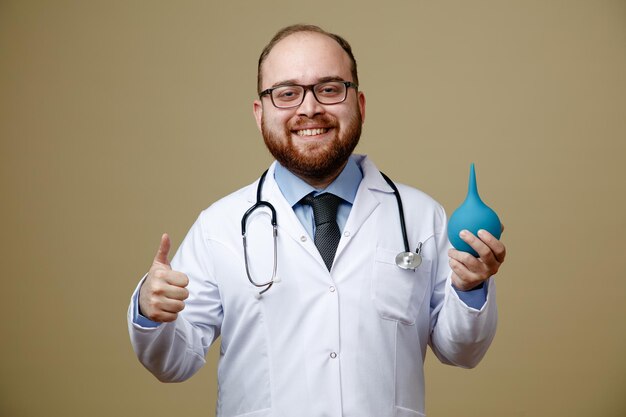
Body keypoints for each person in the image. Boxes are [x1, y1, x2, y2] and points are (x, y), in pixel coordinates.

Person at [128, 24, 506, 417]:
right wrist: (149, 310)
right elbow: (173, 362)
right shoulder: (219, 227)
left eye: (329, 89)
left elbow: (462, 351)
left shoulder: (420, 217)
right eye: (287, 93)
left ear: (359, 104)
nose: (309, 108)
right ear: (260, 114)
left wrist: (471, 286)